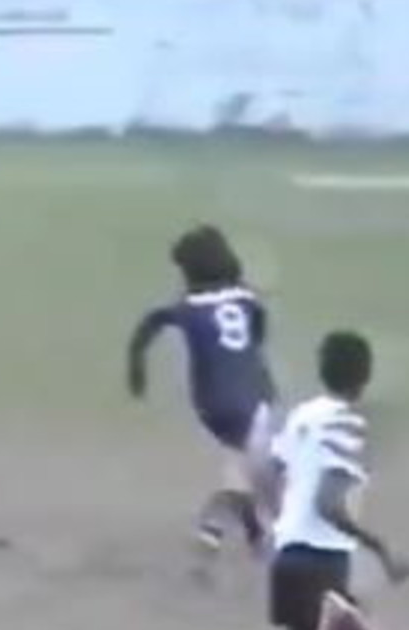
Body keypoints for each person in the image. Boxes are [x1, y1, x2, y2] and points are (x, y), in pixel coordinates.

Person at [126, 224, 277, 583]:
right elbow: (259, 328)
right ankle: (211, 529)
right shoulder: (246, 299)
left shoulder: (187, 307)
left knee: (241, 462)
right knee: (251, 473)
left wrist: (136, 367)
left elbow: (148, 325)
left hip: (209, 402)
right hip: (252, 398)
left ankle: (256, 536)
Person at [264, 331, 409, 630]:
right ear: (366, 376)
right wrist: (381, 549)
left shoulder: (302, 415)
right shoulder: (347, 424)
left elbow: (271, 474)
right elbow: (328, 504)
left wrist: (282, 526)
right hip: (322, 560)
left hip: (287, 558)